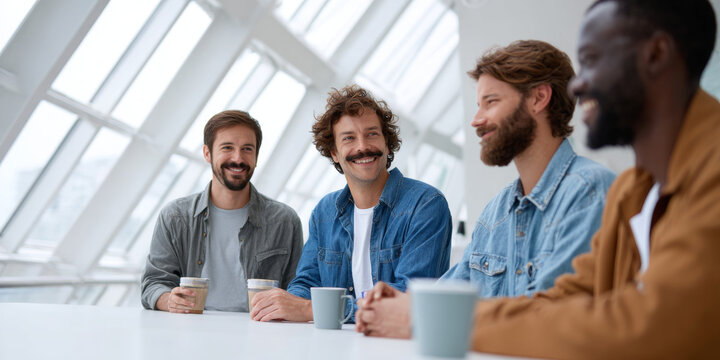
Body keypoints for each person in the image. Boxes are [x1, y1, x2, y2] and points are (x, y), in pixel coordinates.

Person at [377, 0, 720, 357]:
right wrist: (419, 310)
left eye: (592, 59)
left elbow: (649, 323)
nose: (578, 85)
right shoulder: (633, 192)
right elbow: (560, 302)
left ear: (656, 54)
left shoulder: (708, 172)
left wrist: (436, 321)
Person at [355, 40, 616, 338]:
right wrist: (398, 302)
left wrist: (417, 317)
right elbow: (451, 292)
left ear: (538, 98)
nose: (476, 120)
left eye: (490, 102)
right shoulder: (496, 212)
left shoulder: (591, 193)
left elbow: (554, 319)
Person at [249, 85, 453, 322]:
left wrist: (311, 310)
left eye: (372, 134)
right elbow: (307, 283)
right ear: (334, 152)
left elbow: (411, 297)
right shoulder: (324, 213)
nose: (362, 146)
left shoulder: (425, 205)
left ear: (387, 143)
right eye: (349, 138)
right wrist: (284, 305)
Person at [141, 110, 303, 313]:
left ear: (256, 156)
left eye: (247, 149)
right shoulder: (175, 217)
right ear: (207, 153)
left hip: (261, 333)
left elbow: (298, 289)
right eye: (227, 148)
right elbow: (153, 283)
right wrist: (168, 300)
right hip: (190, 331)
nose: (238, 158)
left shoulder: (284, 221)